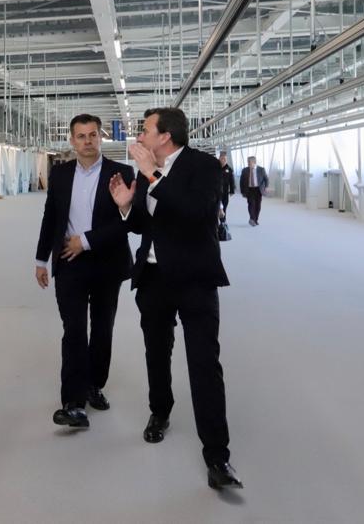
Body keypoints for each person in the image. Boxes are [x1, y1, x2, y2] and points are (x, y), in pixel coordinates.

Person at [108, 108, 243, 490]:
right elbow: (144, 224)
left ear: (165, 136)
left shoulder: (204, 166)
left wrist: (153, 175)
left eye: (145, 129)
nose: (140, 135)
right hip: (153, 278)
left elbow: (197, 214)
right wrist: (125, 205)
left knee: (204, 362)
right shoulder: (144, 171)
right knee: (156, 351)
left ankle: (217, 456)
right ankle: (160, 411)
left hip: (195, 279)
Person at [35, 114, 134, 429]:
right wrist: (41, 259)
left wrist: (86, 241)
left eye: (93, 135)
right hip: (69, 261)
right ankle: (73, 402)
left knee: (103, 328)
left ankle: (94, 385)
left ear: (101, 137)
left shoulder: (122, 173)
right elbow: (51, 217)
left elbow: (127, 223)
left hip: (107, 262)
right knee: (74, 330)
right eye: (81, 136)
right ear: (72, 141)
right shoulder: (61, 174)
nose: (87, 141)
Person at [239, 156, 268, 226]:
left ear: (254, 162)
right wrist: (242, 191)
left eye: (249, 162)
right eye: (248, 162)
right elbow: (241, 181)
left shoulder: (261, 169)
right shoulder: (245, 170)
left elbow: (266, 179)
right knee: (251, 204)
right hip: (249, 190)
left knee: (258, 205)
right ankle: (252, 218)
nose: (248, 163)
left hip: (258, 189)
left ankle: (255, 219)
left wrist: (266, 187)